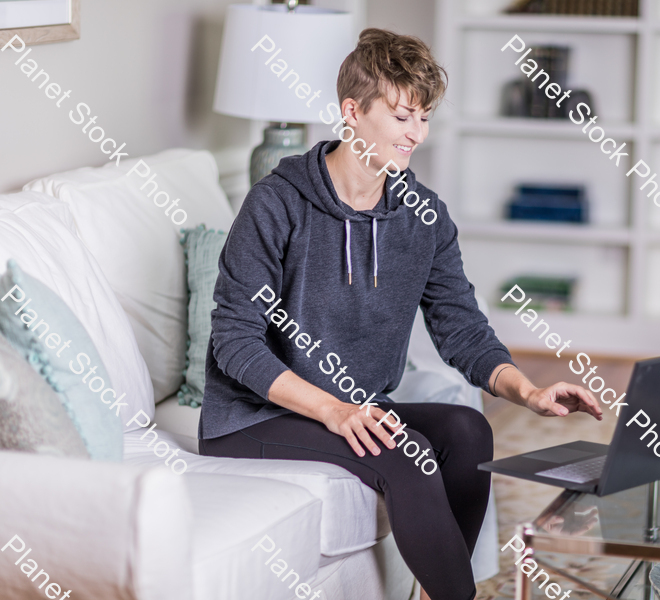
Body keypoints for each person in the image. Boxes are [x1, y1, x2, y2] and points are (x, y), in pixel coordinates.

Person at [198, 28, 602, 600]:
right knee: (406, 456)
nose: (416, 134)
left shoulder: (422, 216)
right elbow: (235, 342)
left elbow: (460, 325)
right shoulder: (277, 202)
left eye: (423, 117)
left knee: (467, 429)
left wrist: (527, 392)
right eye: (401, 117)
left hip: (358, 406)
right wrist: (334, 410)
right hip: (256, 414)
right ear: (352, 113)